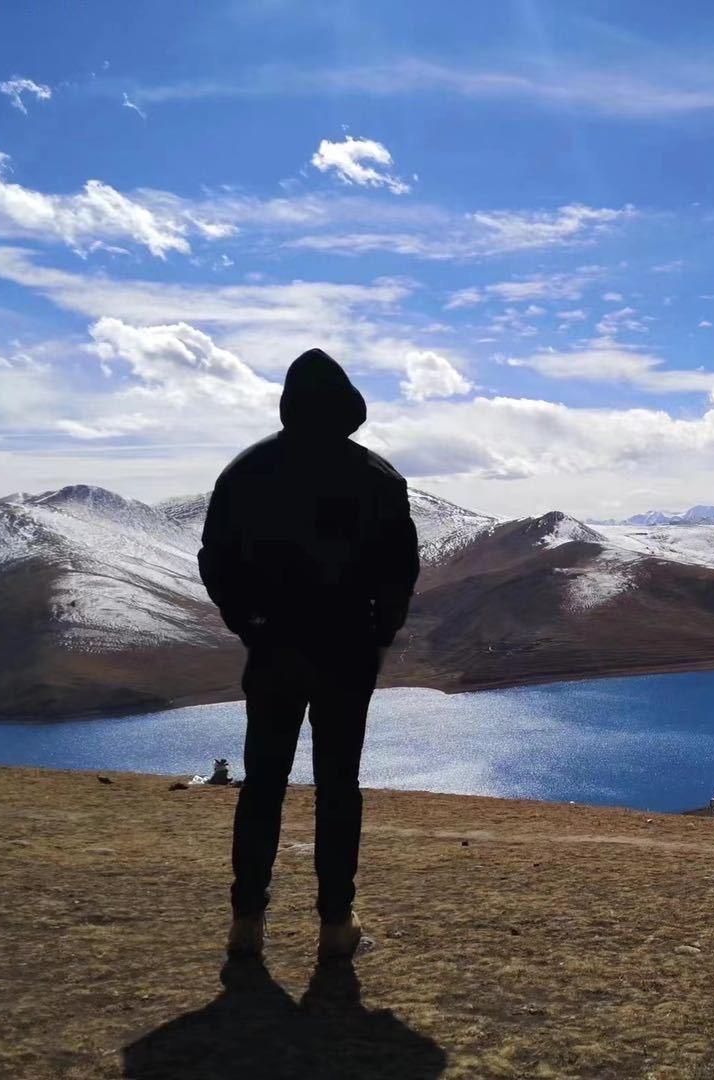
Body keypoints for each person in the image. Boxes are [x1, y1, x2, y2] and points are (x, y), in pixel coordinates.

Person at [198, 348, 419, 962]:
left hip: (273, 651)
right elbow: (399, 574)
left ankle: (246, 922)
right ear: (348, 407)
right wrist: (378, 638)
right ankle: (335, 925)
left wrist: (250, 623)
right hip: (346, 653)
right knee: (339, 789)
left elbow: (215, 562)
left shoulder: (246, 472)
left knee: (262, 784)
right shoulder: (377, 477)